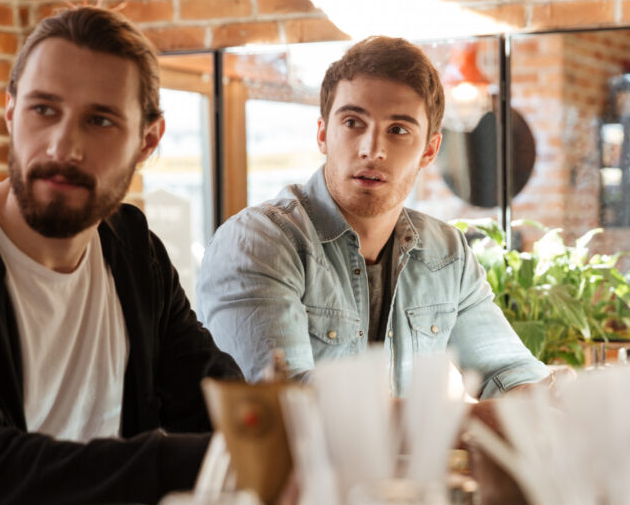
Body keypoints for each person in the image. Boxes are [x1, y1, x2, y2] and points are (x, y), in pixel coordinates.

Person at [0, 7, 242, 505]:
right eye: (43, 110)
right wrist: (212, 460)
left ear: (147, 140)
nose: (61, 147)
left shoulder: (134, 252)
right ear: (10, 111)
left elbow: (218, 403)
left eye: (99, 120)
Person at [197, 36, 548, 397]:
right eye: (352, 122)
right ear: (322, 134)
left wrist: (545, 400)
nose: (372, 150)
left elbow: (507, 369)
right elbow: (288, 403)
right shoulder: (259, 242)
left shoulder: (447, 254)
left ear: (429, 150)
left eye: (398, 130)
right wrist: (460, 422)